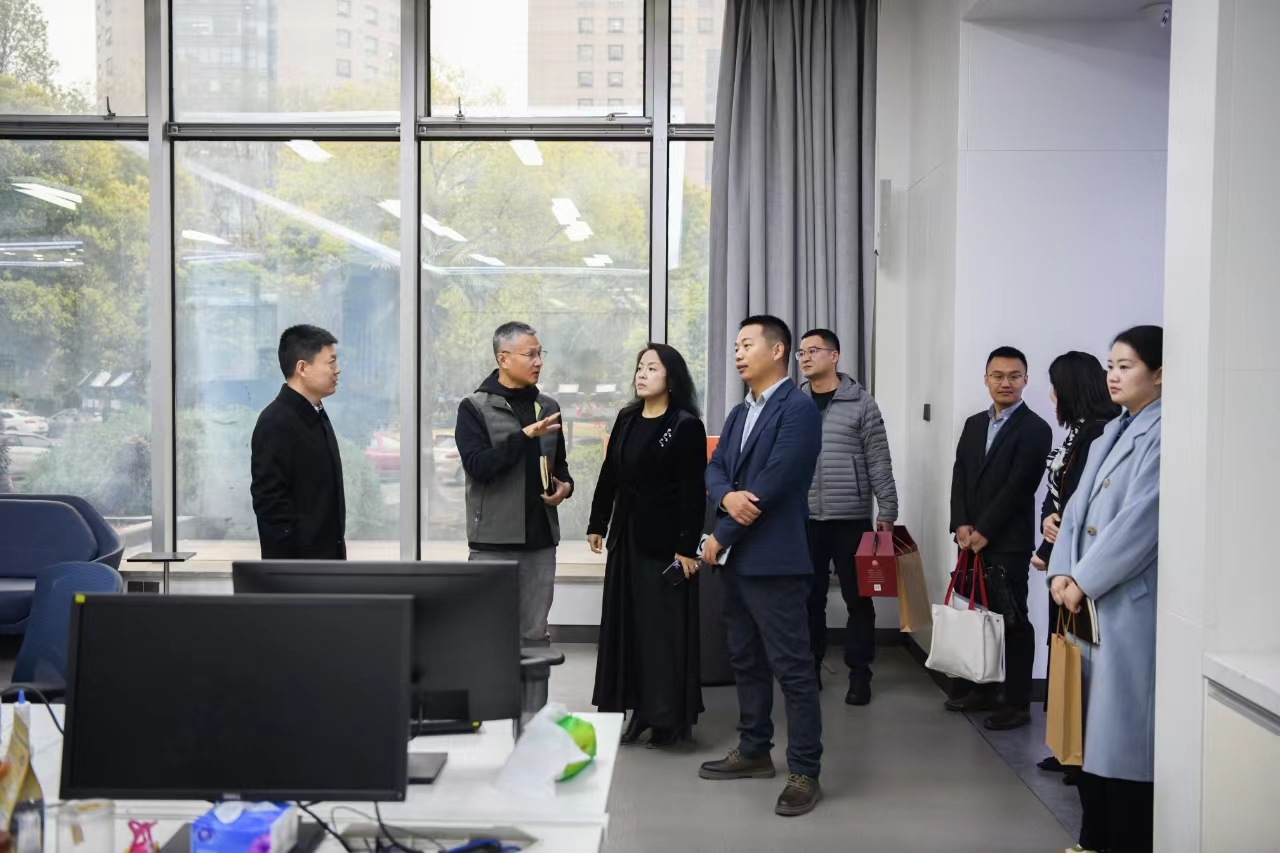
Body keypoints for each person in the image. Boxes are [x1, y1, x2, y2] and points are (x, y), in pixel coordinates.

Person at [699, 315, 825, 818]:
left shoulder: (798, 408)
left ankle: (805, 771)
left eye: (747, 344)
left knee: (792, 668)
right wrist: (725, 497)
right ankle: (754, 750)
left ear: (777, 351)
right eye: (735, 345)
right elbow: (714, 468)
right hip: (738, 560)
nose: (737, 352)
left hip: (774, 559)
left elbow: (775, 482)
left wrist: (720, 534)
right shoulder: (739, 412)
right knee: (746, 659)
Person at [1049, 326, 1162, 853]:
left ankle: (1120, 841)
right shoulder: (1111, 430)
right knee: (1089, 734)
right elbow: (1075, 511)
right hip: (1087, 602)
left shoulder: (1166, 433)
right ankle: (1091, 839)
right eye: (1110, 365)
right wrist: (1061, 572)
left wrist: (1083, 580)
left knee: (1123, 739)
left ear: (1159, 375)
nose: (1112, 376)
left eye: (1126, 366)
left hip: (1125, 603)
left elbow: (1142, 522)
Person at [588, 344, 707, 749]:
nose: (642, 374)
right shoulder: (627, 417)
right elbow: (610, 474)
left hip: (666, 547)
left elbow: (693, 493)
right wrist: (597, 522)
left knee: (660, 633)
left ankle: (666, 718)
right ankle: (635, 709)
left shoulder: (685, 425)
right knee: (627, 628)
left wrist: (687, 547)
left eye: (652, 368)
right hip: (626, 540)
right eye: (640, 367)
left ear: (671, 377)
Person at [947, 346, 1053, 730]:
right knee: (977, 617)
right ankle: (982, 689)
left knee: (1012, 620)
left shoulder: (1035, 428)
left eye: (1013, 376)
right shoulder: (974, 424)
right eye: (997, 375)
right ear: (986, 379)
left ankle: (1016, 702)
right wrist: (961, 523)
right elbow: (960, 475)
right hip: (969, 540)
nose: (1005, 383)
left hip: (1007, 542)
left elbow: (1020, 487)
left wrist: (985, 531)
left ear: (1025, 380)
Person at [796, 328, 898, 706]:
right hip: (805, 519)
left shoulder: (862, 403)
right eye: (801, 353)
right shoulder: (795, 403)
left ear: (834, 355)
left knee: (859, 600)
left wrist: (887, 509)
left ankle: (860, 674)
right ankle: (809, 668)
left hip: (851, 518)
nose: (805, 358)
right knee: (809, 599)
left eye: (813, 350)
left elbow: (878, 460)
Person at [455, 322, 573, 646]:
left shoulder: (548, 407)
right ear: (503, 358)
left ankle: (535, 685)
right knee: (489, 639)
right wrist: (524, 436)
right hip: (493, 543)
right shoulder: (474, 408)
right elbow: (478, 467)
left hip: (541, 541)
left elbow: (560, 464)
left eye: (540, 353)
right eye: (530, 355)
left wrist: (566, 487)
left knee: (535, 636)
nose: (539, 362)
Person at [1032, 351, 1120, 782]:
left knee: (1081, 653)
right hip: (1062, 558)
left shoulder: (1101, 432)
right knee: (1064, 648)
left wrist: (1050, 547)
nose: (1050, 394)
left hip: (1080, 563)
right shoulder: (1077, 432)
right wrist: (1046, 524)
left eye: (1054, 385)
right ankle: (1067, 743)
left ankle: (1084, 754)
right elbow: (1056, 495)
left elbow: (1086, 504)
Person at [251, 324, 346, 560]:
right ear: (302, 368)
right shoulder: (275, 422)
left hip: (326, 564)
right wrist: (290, 572)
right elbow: (271, 507)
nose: (337, 370)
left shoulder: (316, 412)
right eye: (330, 363)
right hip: (299, 569)